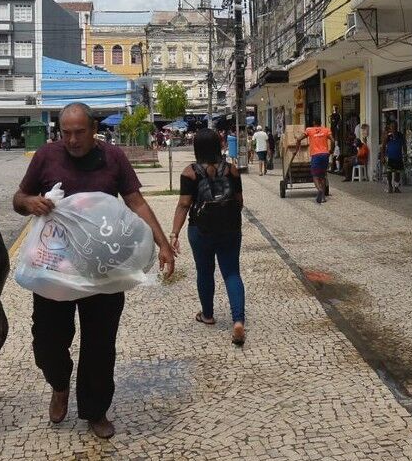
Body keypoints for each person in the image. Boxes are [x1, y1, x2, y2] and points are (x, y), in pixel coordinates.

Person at [13, 102, 175, 439]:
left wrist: (162, 244)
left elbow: (136, 202)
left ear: (93, 129)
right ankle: (59, 383)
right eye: (66, 132)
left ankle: (95, 410)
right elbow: (19, 197)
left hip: (103, 267)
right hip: (55, 268)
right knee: (47, 342)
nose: (71, 139)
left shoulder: (113, 157)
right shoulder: (47, 155)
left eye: (79, 132)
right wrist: (30, 203)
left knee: (100, 345)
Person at [170, 129, 247, 346]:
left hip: (200, 229)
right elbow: (240, 201)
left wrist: (174, 234)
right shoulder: (232, 170)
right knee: (232, 272)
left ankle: (208, 315)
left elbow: (184, 204)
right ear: (219, 145)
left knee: (205, 271)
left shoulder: (190, 173)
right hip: (230, 228)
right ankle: (238, 321)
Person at [297, 118, 334, 204]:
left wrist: (297, 147)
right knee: (323, 175)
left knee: (315, 176)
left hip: (316, 155)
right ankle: (323, 197)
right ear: (320, 123)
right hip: (325, 155)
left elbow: (299, 139)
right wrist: (331, 150)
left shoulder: (309, 130)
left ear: (313, 122)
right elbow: (333, 140)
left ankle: (320, 190)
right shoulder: (326, 130)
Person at [380, 122, 406, 193]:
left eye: (395, 127)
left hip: (398, 157)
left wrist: (405, 154)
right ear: (390, 128)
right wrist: (382, 157)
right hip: (390, 157)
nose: (394, 128)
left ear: (397, 127)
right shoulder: (388, 136)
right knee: (389, 172)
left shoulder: (401, 135)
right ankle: (390, 186)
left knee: (397, 173)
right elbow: (383, 147)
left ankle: (396, 187)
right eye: (392, 127)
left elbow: (404, 145)